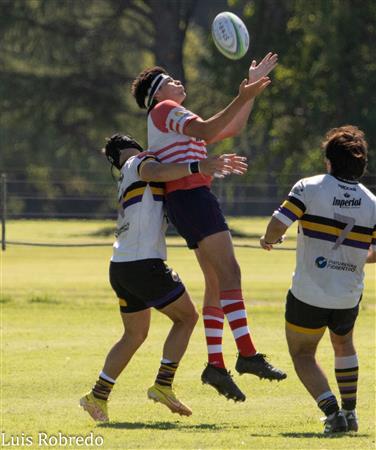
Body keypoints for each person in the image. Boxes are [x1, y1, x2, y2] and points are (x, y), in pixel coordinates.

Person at [131, 52, 286, 403]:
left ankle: (215, 365)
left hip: (189, 200)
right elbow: (207, 130)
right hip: (191, 199)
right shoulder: (163, 110)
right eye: (170, 79)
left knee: (216, 281)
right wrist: (243, 95)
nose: (178, 81)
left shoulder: (170, 113)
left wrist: (249, 93)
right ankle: (247, 354)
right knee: (231, 272)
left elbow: (227, 129)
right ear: (158, 92)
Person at [80, 134, 248, 421]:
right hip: (143, 263)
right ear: (129, 148)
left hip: (120, 265)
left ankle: (98, 394)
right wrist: (198, 166)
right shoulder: (140, 161)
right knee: (187, 318)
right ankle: (163, 384)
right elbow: (156, 172)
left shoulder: (124, 176)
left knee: (134, 334)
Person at [260, 125, 376, 433]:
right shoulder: (372, 203)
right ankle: (351, 414)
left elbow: (277, 224)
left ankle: (332, 412)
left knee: (302, 354)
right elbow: (374, 253)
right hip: (348, 295)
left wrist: (268, 240)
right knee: (344, 345)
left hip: (308, 294)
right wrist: (349, 258)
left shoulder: (309, 186)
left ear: (329, 161)